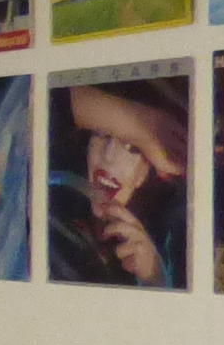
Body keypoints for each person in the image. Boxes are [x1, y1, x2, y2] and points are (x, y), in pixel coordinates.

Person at [49, 79, 188, 287]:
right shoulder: (53, 205)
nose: (109, 156)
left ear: (146, 174)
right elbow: (25, 102)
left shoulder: (169, 245)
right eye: (102, 135)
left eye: (132, 148)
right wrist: (138, 122)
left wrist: (154, 278)